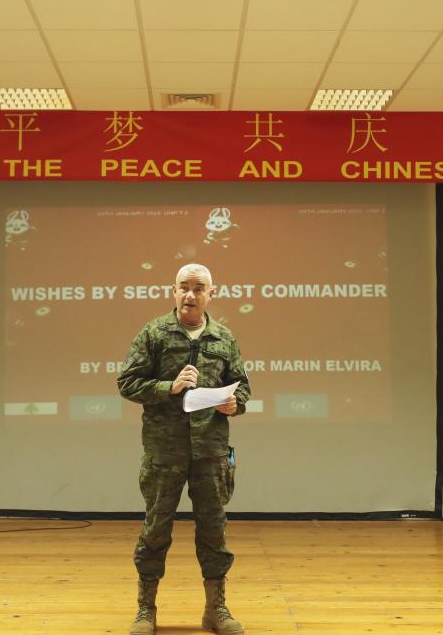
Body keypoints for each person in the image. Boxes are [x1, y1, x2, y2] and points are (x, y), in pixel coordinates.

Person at [117, 263, 251, 635]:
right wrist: (169, 387)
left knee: (214, 531)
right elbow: (127, 382)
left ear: (211, 293)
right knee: (155, 530)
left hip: (211, 452)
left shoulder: (224, 337)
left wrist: (234, 403)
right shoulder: (154, 333)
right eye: (184, 287)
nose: (190, 295)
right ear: (174, 291)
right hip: (165, 452)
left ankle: (216, 609)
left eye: (198, 288)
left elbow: (241, 386)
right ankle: (145, 609)